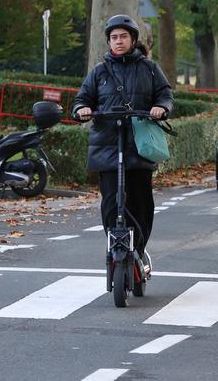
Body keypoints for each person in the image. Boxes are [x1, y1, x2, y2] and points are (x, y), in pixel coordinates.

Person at [72, 14, 174, 261]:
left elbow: (165, 94)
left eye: (123, 37)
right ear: (109, 41)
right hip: (107, 145)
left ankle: (138, 248)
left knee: (141, 201)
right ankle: (115, 242)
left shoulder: (149, 69)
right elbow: (81, 99)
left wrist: (161, 107)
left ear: (133, 39)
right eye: (114, 37)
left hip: (138, 145)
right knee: (110, 201)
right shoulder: (99, 72)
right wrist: (81, 110)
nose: (119, 41)